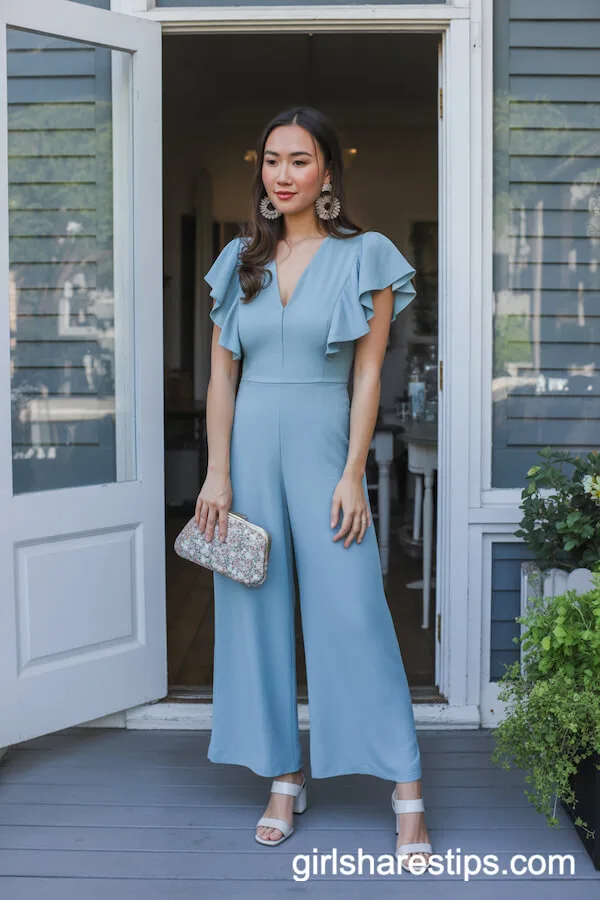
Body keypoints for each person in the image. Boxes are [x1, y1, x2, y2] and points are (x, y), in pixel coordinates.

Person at [194, 105, 432, 872]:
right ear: (260, 171)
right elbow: (221, 378)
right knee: (255, 615)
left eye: (300, 160)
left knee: (355, 613)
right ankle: (283, 778)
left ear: (328, 171)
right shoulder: (239, 261)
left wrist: (354, 471)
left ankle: (407, 794)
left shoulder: (368, 256)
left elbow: (368, 373)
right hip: (250, 453)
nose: (283, 174)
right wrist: (218, 472)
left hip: (328, 449)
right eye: (271, 160)